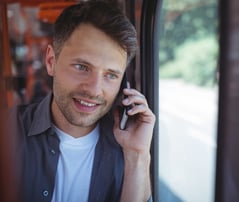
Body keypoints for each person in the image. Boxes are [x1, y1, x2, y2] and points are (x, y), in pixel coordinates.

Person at [11, 1, 155, 202]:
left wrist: (137, 155)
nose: (95, 90)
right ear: (51, 62)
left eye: (111, 75)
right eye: (81, 67)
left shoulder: (128, 150)